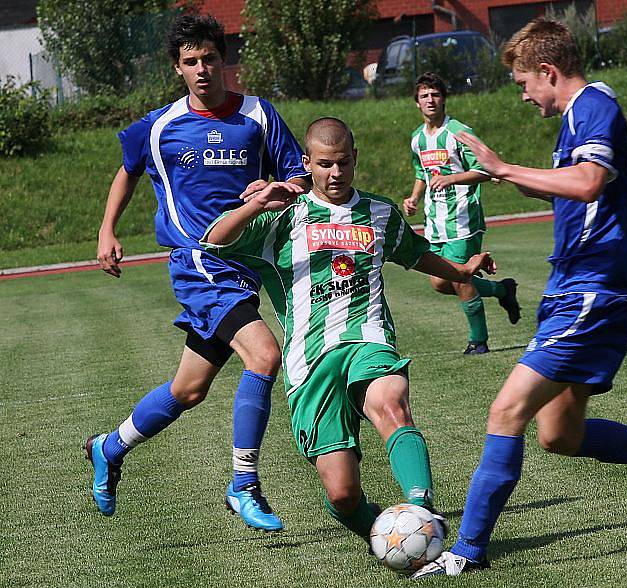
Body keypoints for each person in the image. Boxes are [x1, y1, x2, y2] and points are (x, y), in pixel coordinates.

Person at [412, 18, 627, 578]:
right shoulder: (577, 117)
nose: (524, 94)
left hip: (593, 289)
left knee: (506, 410)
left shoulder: (595, 106)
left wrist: (505, 167)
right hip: (576, 287)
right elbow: (563, 183)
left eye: (524, 83)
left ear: (549, 72)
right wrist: (496, 175)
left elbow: (587, 183)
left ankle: (466, 552)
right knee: (559, 434)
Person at [202, 117, 496, 547]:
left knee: (391, 403)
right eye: (324, 164)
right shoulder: (286, 217)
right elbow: (216, 240)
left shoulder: (381, 213)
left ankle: (422, 509)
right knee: (342, 494)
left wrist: (463, 269)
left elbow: (415, 254)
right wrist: (258, 204)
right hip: (310, 360)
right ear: (307, 163)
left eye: (343, 163)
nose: (335, 173)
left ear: (355, 158)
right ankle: (387, 535)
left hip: (368, 338)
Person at [86, 14, 309, 532]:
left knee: (189, 389)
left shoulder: (258, 113)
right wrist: (106, 230)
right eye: (191, 61)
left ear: (224, 60)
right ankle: (244, 484)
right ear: (177, 68)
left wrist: (281, 189)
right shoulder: (160, 124)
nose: (202, 68)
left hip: (247, 259)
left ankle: (108, 446)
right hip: (198, 261)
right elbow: (129, 168)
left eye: (210, 58)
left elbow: (297, 170)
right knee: (264, 353)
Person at [403, 72, 520, 355]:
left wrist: (453, 179)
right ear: (417, 103)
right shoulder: (418, 138)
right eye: (424, 96)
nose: (430, 100)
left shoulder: (458, 132)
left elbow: (485, 169)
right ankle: (503, 290)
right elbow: (422, 172)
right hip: (435, 220)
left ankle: (478, 341)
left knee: (459, 277)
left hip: (463, 218)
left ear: (444, 99)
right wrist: (414, 197)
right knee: (440, 282)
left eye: (435, 94)